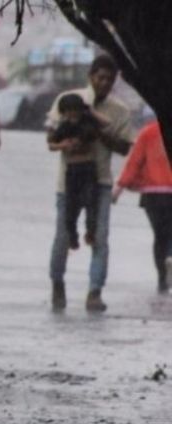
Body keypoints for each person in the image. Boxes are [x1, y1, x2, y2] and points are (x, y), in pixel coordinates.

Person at [45, 55, 134, 312]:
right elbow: (52, 136)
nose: (104, 83)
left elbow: (124, 146)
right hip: (69, 180)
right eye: (100, 77)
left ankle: (95, 290)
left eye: (109, 79)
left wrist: (99, 135)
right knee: (64, 234)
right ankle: (57, 282)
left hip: (100, 181)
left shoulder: (120, 111)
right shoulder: (69, 101)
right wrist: (66, 143)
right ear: (91, 76)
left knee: (100, 235)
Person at [112, 115, 172, 293]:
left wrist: (118, 189)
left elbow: (134, 162)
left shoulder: (148, 133)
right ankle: (170, 256)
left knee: (159, 236)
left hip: (153, 194)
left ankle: (162, 280)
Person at [49, 93, 106, 249]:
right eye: (69, 111)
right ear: (64, 112)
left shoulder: (87, 123)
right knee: (70, 209)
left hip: (88, 168)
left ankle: (90, 233)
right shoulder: (64, 126)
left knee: (91, 205)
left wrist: (90, 111)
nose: (72, 114)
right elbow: (51, 144)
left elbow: (106, 124)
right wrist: (64, 145)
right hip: (72, 169)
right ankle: (72, 236)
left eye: (75, 110)